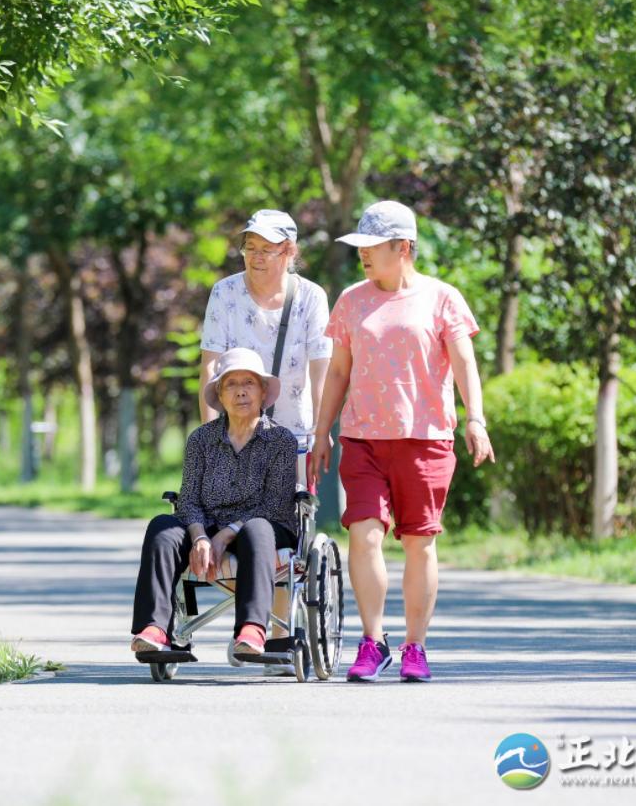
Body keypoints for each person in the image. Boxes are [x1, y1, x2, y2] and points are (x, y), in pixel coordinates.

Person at [309, 200, 494, 683]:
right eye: (361, 246)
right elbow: (339, 372)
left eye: (373, 246)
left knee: (419, 543)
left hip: (424, 438)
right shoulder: (351, 300)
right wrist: (322, 432)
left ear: (403, 247)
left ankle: (416, 646)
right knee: (364, 534)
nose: (364, 254)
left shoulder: (442, 298)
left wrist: (475, 419)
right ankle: (373, 642)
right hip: (363, 437)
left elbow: (465, 363)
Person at [199, 209, 333, 673]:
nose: (255, 256)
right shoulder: (225, 293)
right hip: (234, 433)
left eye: (267, 249)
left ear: (289, 252)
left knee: (278, 530)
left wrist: (323, 433)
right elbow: (210, 367)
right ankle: (251, 622)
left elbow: (321, 371)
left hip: (292, 433)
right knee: (226, 519)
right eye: (250, 247)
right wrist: (211, 438)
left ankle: (274, 634)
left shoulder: (311, 297)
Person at [131, 348, 298, 658]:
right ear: (220, 395)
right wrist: (200, 538)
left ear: (263, 391)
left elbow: (273, 505)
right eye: (230, 384)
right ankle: (154, 629)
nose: (240, 391)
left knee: (258, 528)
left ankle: (251, 630)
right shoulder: (201, 440)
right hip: (206, 525)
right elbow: (189, 498)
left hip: (262, 529)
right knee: (162, 527)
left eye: (249, 382)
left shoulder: (281, 441)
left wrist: (226, 534)